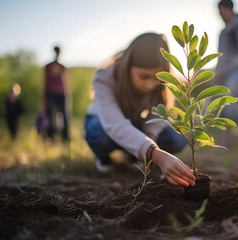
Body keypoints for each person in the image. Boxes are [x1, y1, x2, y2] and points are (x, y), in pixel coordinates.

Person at [84, 33, 196, 187]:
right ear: (127, 66)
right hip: (104, 123)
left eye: (157, 78)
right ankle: (104, 159)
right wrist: (156, 154)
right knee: (99, 135)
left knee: (175, 139)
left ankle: (134, 155)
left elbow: (157, 115)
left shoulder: (158, 85)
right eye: (144, 77)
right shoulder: (105, 77)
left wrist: (151, 139)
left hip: (136, 122)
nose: (150, 85)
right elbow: (115, 124)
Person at [43, 45, 69, 141]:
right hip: (50, 92)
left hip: (61, 92)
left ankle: (65, 137)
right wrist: (44, 97)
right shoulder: (48, 66)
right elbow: (45, 81)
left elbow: (65, 82)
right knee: (50, 114)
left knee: (64, 114)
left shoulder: (62, 67)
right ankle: (50, 136)